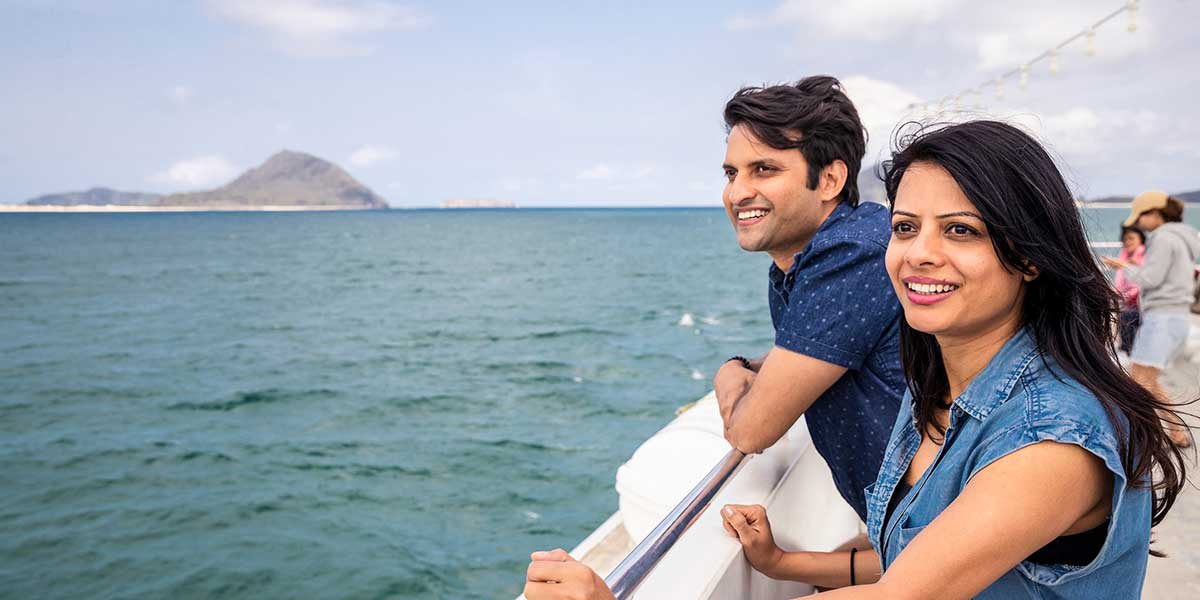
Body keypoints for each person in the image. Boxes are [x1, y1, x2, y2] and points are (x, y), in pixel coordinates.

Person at [523, 121, 1188, 599]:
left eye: (960, 230)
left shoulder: (1050, 440)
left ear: (1032, 255)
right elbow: (920, 558)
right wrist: (783, 563)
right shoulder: (935, 385)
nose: (918, 253)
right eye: (905, 227)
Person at [713, 76, 905, 524]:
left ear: (831, 179)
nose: (737, 192)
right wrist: (739, 365)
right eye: (731, 173)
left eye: (764, 169)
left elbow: (751, 429)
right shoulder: (801, 263)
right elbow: (824, 347)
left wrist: (732, 377)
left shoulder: (852, 256)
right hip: (911, 535)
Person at [1102, 191, 1199, 448]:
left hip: (1162, 317)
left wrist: (1122, 266)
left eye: (1141, 216)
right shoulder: (1183, 237)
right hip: (1174, 315)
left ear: (1154, 213)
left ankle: (1137, 439)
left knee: (1139, 382)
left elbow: (1151, 279)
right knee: (1146, 379)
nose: (1139, 223)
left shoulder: (1164, 238)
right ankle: (1175, 433)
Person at [1114, 226, 1145, 354]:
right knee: (1123, 315)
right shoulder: (1124, 255)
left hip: (1143, 303)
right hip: (1128, 301)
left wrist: (1125, 296)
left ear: (1141, 240)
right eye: (1125, 239)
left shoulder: (1145, 255)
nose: (1128, 241)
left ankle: (1127, 351)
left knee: (1127, 316)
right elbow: (1119, 283)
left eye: (1131, 238)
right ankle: (1125, 350)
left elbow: (1143, 283)